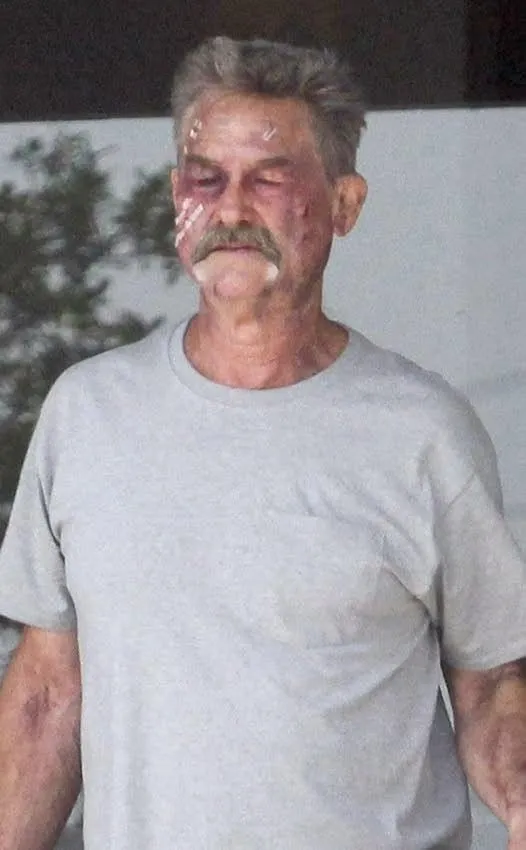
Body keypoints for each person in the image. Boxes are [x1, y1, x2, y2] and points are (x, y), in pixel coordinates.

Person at [0, 35, 526, 850]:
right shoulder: (88, 414)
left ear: (345, 204)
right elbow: (45, 697)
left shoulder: (422, 433)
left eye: (270, 179)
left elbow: (493, 689)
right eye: (205, 178)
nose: (232, 209)